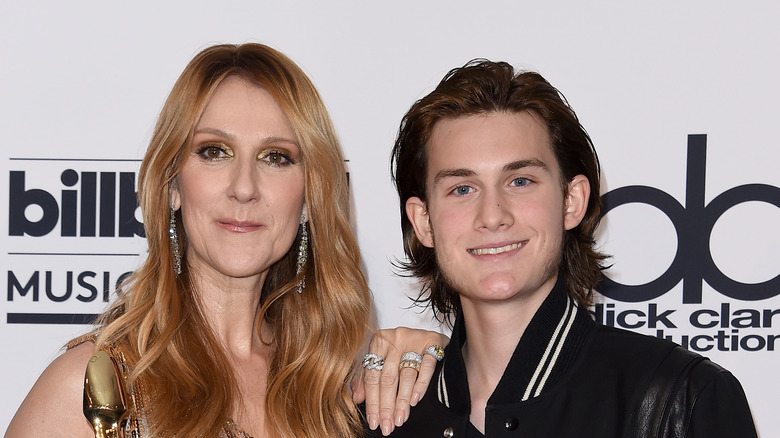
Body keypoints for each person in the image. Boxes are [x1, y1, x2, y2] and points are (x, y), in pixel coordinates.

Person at [6, 43, 442, 438]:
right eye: (214, 151)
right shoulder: (96, 388)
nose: (245, 187)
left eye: (276, 157)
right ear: (172, 185)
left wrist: (448, 365)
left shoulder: (341, 389)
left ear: (310, 198)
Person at [376, 60, 758, 437]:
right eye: (462, 189)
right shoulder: (384, 411)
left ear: (571, 201)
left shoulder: (680, 397)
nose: (492, 216)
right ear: (423, 221)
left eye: (520, 181)